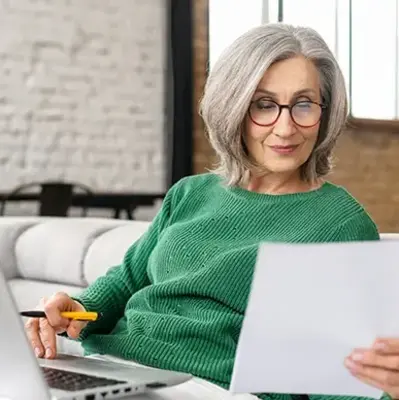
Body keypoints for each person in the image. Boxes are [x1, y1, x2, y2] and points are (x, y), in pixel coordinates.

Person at [24, 23, 398, 400]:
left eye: (303, 104)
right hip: (112, 369)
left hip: (209, 388)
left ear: (325, 111)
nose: (286, 128)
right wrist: (77, 308)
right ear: (233, 107)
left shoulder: (339, 224)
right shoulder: (190, 193)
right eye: (264, 105)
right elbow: (127, 279)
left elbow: (339, 377)